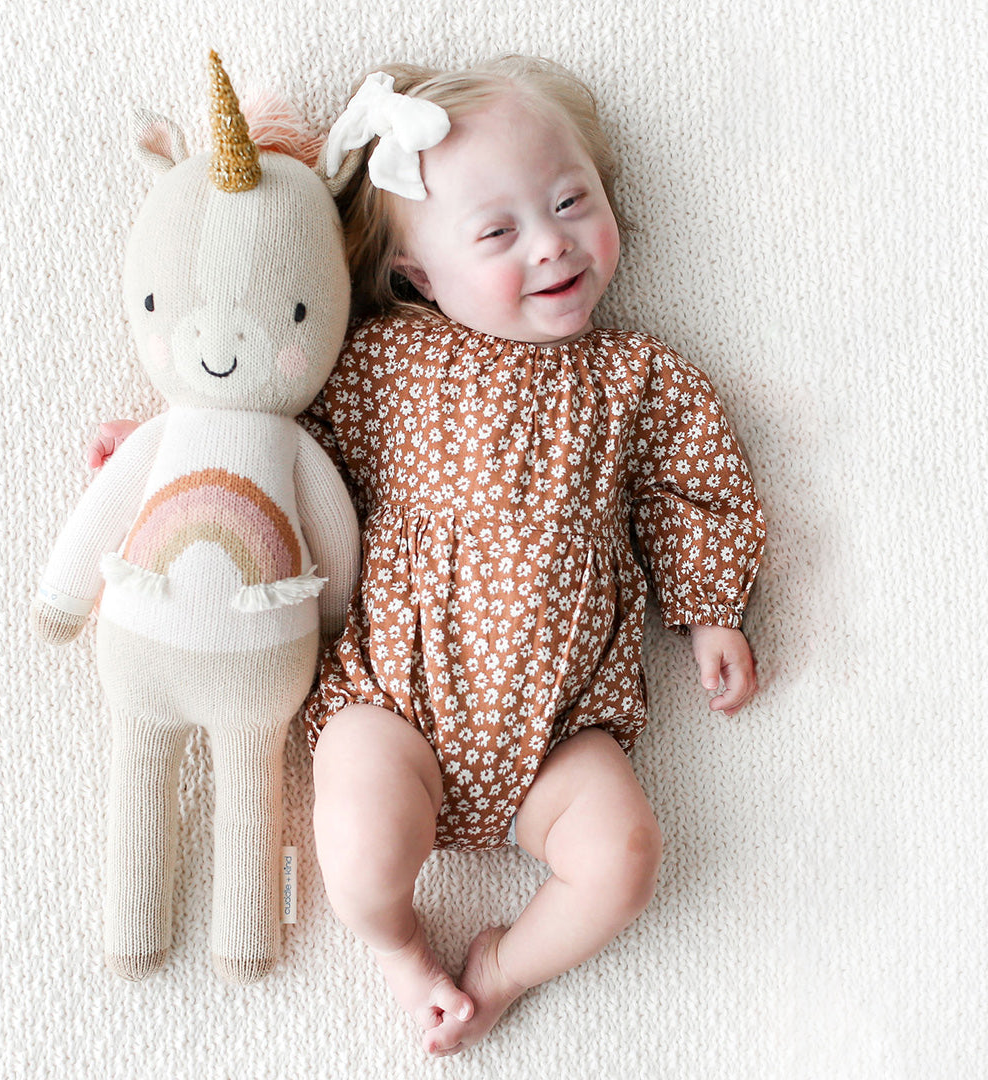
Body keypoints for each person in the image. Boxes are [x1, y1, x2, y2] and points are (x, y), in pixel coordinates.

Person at [89, 56, 766, 1056]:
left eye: (573, 200)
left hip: (566, 733)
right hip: (393, 703)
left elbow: (694, 482)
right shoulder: (381, 363)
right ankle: (404, 956)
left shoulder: (638, 375)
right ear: (417, 275)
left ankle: (501, 967)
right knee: (360, 855)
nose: (552, 243)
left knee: (626, 857)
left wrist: (710, 608)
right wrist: (160, 450)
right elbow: (269, 433)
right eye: (498, 232)